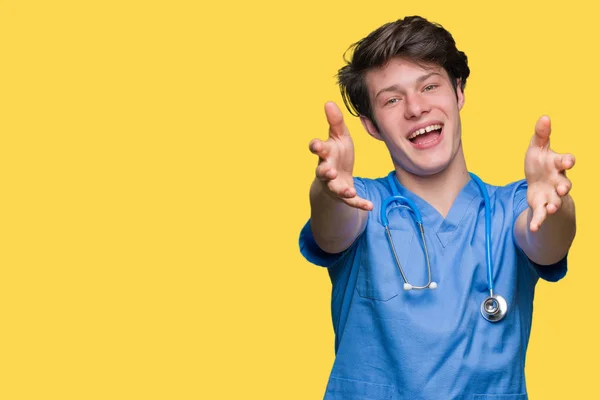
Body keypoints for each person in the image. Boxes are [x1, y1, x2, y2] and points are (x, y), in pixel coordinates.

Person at [298, 15, 576, 400]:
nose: (416, 108)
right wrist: (328, 192)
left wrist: (557, 204)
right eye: (392, 99)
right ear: (372, 125)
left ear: (458, 92)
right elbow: (332, 228)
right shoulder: (361, 203)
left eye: (429, 86)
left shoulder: (511, 207)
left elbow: (548, 239)